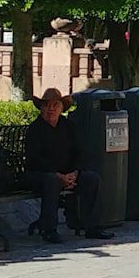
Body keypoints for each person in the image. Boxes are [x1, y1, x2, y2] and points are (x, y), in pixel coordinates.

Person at [24, 88, 110, 242]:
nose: (51, 109)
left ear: (61, 108)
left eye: (55, 105)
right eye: (47, 105)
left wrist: (75, 173)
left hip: (68, 174)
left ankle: (93, 227)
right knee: (52, 181)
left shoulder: (68, 126)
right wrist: (58, 175)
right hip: (41, 175)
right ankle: (48, 229)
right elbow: (34, 160)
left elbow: (79, 152)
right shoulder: (34, 129)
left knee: (92, 179)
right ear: (41, 108)